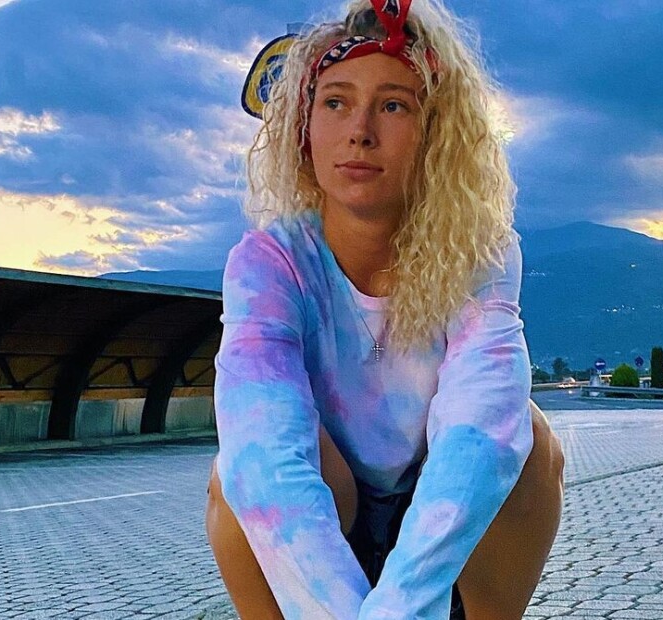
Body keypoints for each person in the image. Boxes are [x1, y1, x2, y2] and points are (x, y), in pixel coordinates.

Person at [205, 0, 565, 618]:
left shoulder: (479, 253)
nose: (360, 131)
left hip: (442, 515)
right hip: (329, 506)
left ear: (436, 136)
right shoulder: (268, 262)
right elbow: (265, 451)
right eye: (335, 102)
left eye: (394, 105)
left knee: (531, 443)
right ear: (304, 128)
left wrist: (402, 606)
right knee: (233, 476)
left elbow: (481, 421)